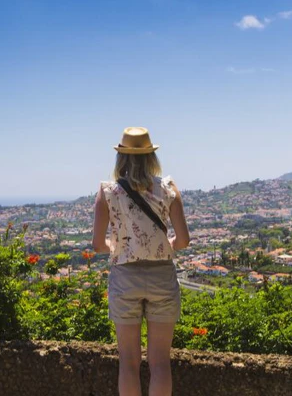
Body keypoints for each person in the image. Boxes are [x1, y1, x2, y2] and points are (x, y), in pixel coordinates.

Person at [92, 127, 190, 396]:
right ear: (151, 158)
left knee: (129, 362)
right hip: (161, 277)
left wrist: (118, 247)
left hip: (125, 278)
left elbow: (98, 244)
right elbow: (183, 240)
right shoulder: (168, 189)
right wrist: (165, 246)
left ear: (121, 158)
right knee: (159, 363)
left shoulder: (108, 192)